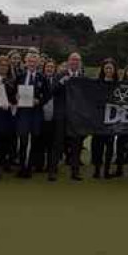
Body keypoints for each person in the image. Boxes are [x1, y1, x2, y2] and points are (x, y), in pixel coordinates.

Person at [49, 53, 84, 181]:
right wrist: (62, 82)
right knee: (57, 143)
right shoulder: (60, 75)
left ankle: (75, 172)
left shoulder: (82, 77)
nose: (75, 62)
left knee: (76, 145)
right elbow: (52, 91)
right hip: (61, 115)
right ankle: (52, 171)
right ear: (68, 61)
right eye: (73, 60)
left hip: (76, 117)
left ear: (80, 63)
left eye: (77, 60)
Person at [14, 50, 46, 178]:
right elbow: (13, 92)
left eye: (34, 61)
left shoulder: (41, 77)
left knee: (34, 141)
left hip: (36, 113)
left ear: (38, 63)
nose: (32, 63)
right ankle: (22, 166)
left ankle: (30, 166)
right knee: (23, 140)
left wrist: (39, 101)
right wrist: (15, 97)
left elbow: (47, 95)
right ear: (26, 62)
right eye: (30, 61)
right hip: (23, 113)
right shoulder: (20, 76)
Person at [91, 59, 120, 179]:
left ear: (114, 70)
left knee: (109, 145)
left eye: (111, 68)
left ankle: (107, 170)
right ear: (103, 69)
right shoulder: (97, 83)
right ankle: (97, 170)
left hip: (112, 119)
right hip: (99, 118)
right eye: (106, 68)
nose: (108, 70)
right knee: (97, 145)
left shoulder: (118, 84)